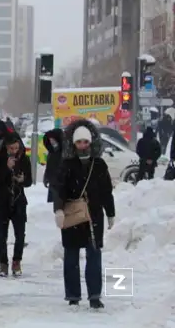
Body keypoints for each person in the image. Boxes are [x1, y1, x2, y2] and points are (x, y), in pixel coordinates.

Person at [51, 119, 115, 309]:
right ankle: (73, 295)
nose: (82, 146)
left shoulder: (99, 164)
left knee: (94, 255)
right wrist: (59, 209)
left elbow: (106, 191)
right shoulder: (67, 165)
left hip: (94, 216)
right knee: (71, 256)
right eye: (79, 142)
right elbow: (59, 189)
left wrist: (110, 213)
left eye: (85, 142)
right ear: (74, 143)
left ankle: (94, 295)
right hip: (73, 215)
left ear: (91, 143)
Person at [0, 132, 32, 277]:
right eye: (11, 148)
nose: (14, 151)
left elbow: (29, 181)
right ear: (5, 148)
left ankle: (16, 261)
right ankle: (3, 264)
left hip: (18, 201)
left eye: (16, 148)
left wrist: (22, 180)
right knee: (2, 235)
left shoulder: (24, 159)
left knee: (20, 235)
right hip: (2, 201)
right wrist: (6, 168)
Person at [42, 128, 64, 203]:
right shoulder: (51, 152)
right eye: (50, 140)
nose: (52, 142)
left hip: (61, 185)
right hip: (52, 183)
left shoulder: (64, 153)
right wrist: (46, 177)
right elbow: (49, 166)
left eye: (53, 140)